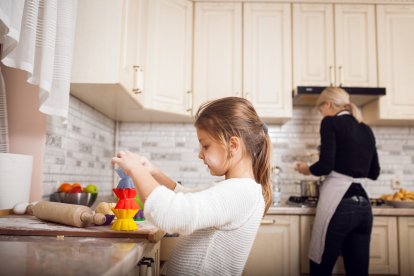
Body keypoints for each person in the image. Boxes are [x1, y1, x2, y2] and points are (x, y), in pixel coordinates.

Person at [111, 97, 272, 276]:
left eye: (205, 146)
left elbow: (171, 214)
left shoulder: (239, 193)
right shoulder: (239, 189)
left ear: (232, 145)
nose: (200, 154)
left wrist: (135, 170)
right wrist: (153, 172)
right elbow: (187, 195)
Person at [295, 87, 380, 276]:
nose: (321, 114)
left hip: (339, 205)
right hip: (364, 207)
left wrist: (306, 169)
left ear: (328, 104)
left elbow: (325, 166)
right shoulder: (365, 128)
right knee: (358, 272)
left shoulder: (330, 122)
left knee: (321, 268)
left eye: (320, 109)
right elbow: (374, 172)